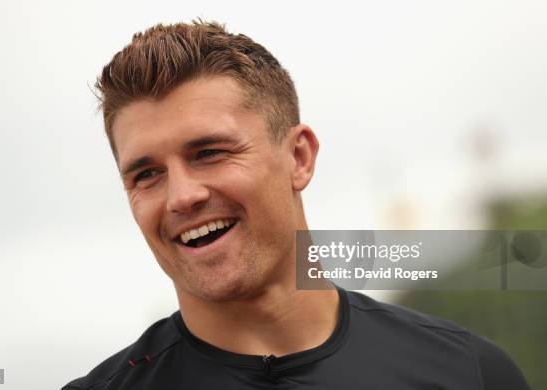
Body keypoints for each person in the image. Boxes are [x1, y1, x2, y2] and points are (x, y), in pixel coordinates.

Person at [62, 20, 529, 389]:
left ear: (299, 157)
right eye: (146, 174)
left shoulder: (470, 373)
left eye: (209, 153)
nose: (182, 196)